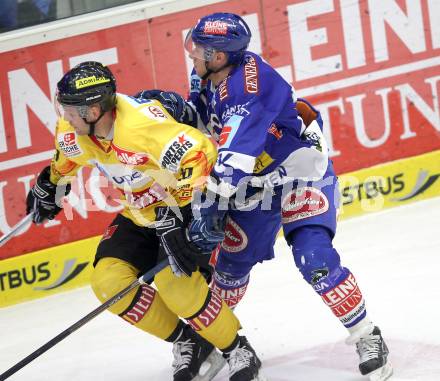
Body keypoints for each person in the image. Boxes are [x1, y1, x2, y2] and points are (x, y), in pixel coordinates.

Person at [142, 12, 393, 381]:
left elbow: (229, 166)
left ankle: (367, 335)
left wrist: (207, 209)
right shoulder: (208, 73)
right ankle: (215, 340)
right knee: (227, 274)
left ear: (219, 56)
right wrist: (172, 109)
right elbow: (204, 116)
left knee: (315, 260)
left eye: (199, 49)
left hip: (299, 178)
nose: (192, 54)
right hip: (255, 182)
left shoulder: (248, 91)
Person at [25, 61, 265, 381]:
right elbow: (68, 156)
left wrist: (194, 211)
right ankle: (188, 341)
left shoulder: (140, 128)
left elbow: (200, 154)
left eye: (69, 109)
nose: (64, 117)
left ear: (94, 111)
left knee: (176, 287)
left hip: (181, 209)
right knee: (108, 283)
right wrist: (51, 182)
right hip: (139, 213)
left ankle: (237, 348)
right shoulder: (74, 130)